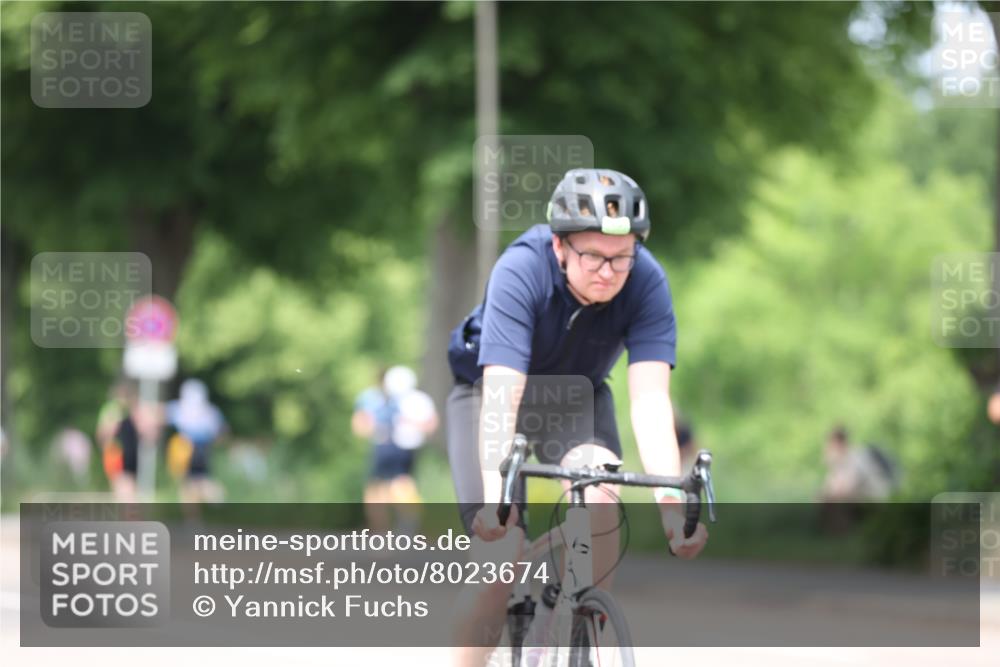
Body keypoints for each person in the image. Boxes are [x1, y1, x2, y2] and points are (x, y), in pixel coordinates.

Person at [446, 168, 708, 666]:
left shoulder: (646, 280)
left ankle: (577, 626)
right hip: (490, 394)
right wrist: (498, 501)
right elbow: (503, 394)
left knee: (603, 495)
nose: (609, 272)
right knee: (499, 562)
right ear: (559, 247)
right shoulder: (521, 269)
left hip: (576, 397)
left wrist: (672, 504)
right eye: (593, 256)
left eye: (622, 258)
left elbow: (651, 401)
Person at [353, 366, 438, 532]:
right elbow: (431, 424)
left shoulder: (383, 398)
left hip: (387, 446)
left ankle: (385, 529)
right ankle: (408, 521)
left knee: (380, 488)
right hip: (410, 449)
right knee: (401, 483)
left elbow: (362, 424)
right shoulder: (420, 399)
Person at [166, 379, 226, 505]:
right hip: (204, 447)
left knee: (189, 484)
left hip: (186, 447)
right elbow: (220, 432)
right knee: (198, 481)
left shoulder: (180, 407)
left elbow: (164, 414)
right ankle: (210, 501)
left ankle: (194, 516)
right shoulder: (211, 411)